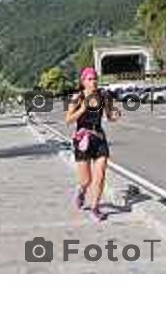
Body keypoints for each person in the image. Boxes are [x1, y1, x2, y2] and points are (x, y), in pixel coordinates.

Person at [65, 67, 120, 222]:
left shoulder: (104, 96)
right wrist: (82, 108)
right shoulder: (77, 98)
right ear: (83, 82)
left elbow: (109, 116)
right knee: (86, 180)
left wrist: (114, 115)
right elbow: (68, 120)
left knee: (100, 175)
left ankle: (95, 208)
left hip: (99, 138)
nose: (93, 81)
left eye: (95, 78)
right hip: (82, 140)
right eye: (90, 79)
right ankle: (81, 190)